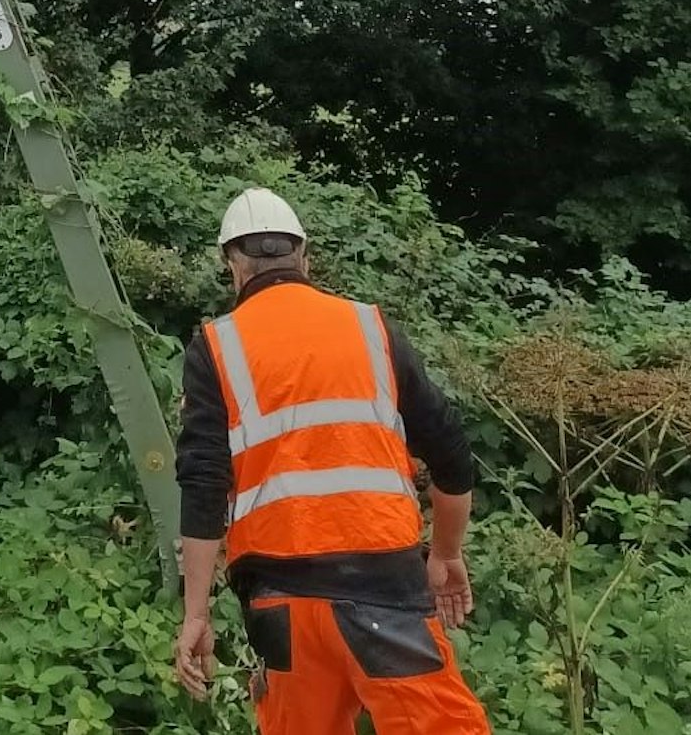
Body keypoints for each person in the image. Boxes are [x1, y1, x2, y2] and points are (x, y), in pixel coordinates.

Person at [170, 188, 492, 734]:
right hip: (387, 596)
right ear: (304, 257)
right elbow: (451, 454)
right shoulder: (371, 328)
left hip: (281, 604)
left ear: (233, 266)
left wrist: (196, 614)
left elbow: (202, 485)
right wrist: (446, 553)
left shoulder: (216, 347)